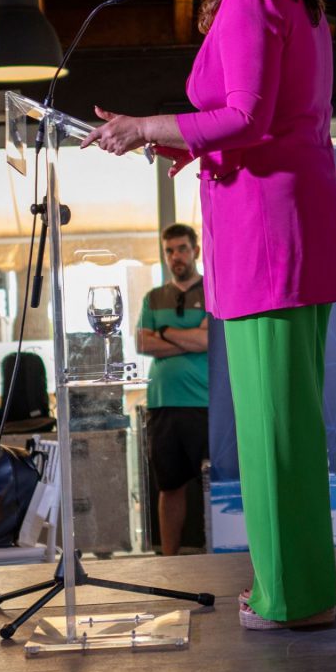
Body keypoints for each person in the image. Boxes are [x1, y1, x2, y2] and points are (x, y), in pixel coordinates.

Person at [81, 0, 336, 630]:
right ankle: (300, 589)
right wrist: (175, 144)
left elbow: (246, 115)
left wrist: (147, 126)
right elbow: (270, 121)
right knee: (289, 426)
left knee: (273, 431)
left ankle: (288, 598)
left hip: (269, 236)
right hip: (295, 226)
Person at [136, 223, 208, 556]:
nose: (175, 256)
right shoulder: (153, 298)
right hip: (162, 405)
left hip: (205, 404)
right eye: (169, 251)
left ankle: (220, 554)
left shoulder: (213, 291)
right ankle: (169, 561)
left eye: (182, 249)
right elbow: (142, 343)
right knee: (169, 486)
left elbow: (208, 340)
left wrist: (163, 332)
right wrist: (188, 338)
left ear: (195, 251)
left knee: (214, 485)